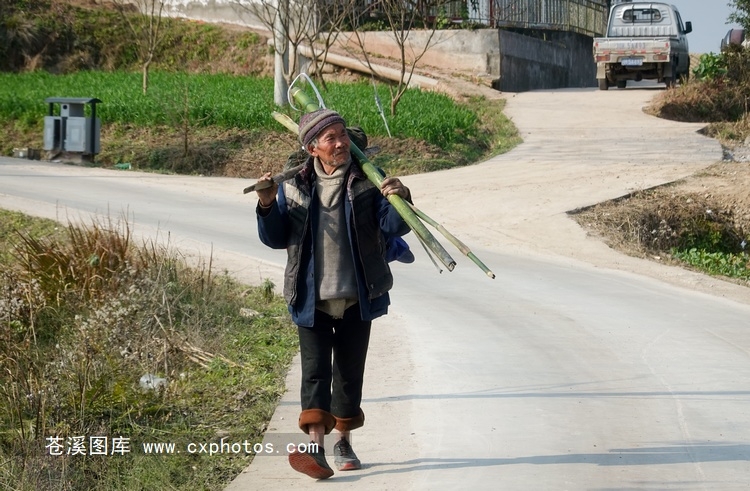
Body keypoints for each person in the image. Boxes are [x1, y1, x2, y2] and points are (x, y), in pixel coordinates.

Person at [254, 108, 412, 479]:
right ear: (313, 148)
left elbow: (393, 226)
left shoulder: (367, 180)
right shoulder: (294, 185)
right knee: (314, 373)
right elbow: (276, 238)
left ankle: (343, 441)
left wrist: (401, 197)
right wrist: (267, 204)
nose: (341, 143)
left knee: (348, 373)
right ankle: (316, 448)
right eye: (331, 138)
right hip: (311, 297)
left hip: (359, 294)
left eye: (343, 135)